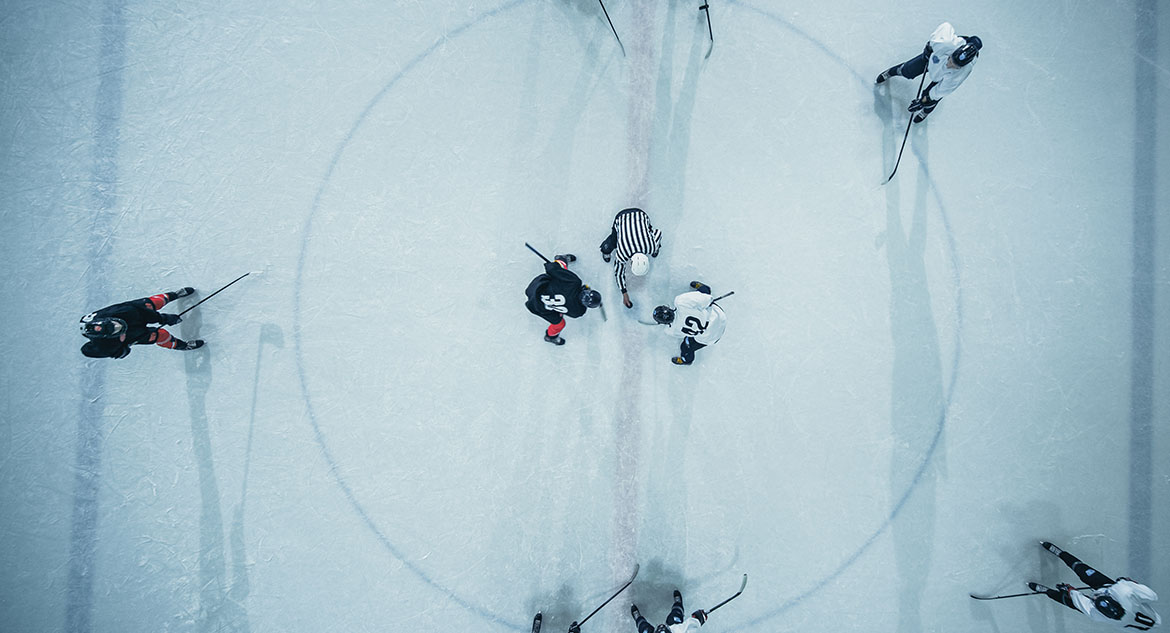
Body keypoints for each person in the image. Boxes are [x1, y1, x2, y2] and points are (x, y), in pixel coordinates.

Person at [1028, 541, 1161, 630]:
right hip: (1112, 590)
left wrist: (1070, 591)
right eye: (1097, 596)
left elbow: (1079, 599)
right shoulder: (1122, 590)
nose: (1094, 595)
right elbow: (1152, 595)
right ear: (1113, 598)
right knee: (1081, 569)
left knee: (1070, 602)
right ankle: (1061, 553)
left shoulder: (1095, 613)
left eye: (1094, 599)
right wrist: (1130, 582)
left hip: (1126, 618)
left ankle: (1046, 591)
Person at [875, 22, 982, 123]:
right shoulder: (945, 43)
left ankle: (926, 111)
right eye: (950, 60)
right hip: (932, 59)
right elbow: (946, 26)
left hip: (943, 76)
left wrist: (923, 102)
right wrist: (929, 48)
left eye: (955, 65)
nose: (950, 64)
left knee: (932, 98)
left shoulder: (959, 75)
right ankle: (890, 72)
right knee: (907, 70)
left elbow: (939, 91)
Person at [80, 287, 204, 358]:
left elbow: (143, 313)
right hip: (131, 335)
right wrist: (123, 346)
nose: (119, 326)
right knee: (158, 336)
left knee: (150, 304)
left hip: (133, 314)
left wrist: (163, 318)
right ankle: (182, 345)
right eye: (118, 330)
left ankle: (173, 295)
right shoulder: (106, 347)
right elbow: (118, 353)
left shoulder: (123, 312)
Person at [525, 254, 602, 345]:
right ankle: (550, 337)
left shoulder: (574, 283)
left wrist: (552, 266)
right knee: (559, 324)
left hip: (537, 287)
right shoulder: (578, 311)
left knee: (562, 272)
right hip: (536, 307)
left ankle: (561, 259)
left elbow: (551, 269)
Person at [598, 207, 662, 309]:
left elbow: (658, 233)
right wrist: (624, 292)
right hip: (621, 218)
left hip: (640, 214)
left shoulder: (651, 247)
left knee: (642, 232)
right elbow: (618, 273)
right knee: (613, 241)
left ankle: (607, 250)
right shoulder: (622, 253)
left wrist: (655, 249)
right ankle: (605, 250)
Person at [651, 281, 727, 365]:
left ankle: (686, 360)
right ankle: (704, 288)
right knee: (703, 296)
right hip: (719, 317)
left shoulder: (671, 330)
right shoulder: (681, 302)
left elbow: (680, 333)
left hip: (711, 337)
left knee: (686, 346)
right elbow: (708, 299)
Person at [630, 590, 709, 633]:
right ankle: (678, 604)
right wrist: (698, 619)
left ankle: (638, 618)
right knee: (676, 616)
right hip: (673, 630)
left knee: (644, 628)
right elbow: (690, 627)